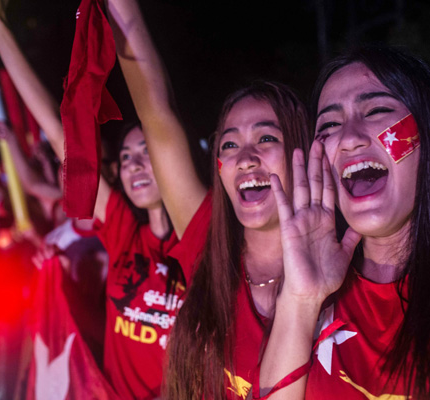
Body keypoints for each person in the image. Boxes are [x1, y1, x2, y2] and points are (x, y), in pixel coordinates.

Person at [257, 45, 430, 400]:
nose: (350, 138)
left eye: (377, 110)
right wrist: (300, 299)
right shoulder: (307, 284)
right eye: (329, 124)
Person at [0, 1, 212, 398]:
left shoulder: (206, 242)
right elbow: (60, 138)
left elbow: (159, 110)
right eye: (126, 158)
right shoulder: (124, 231)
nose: (136, 165)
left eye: (148, 153)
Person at [105, 1, 311, 399]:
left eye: (267, 138)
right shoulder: (206, 244)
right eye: (230, 144)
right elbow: (156, 114)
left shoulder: (345, 269)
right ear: (218, 164)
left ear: (300, 149)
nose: (246, 158)